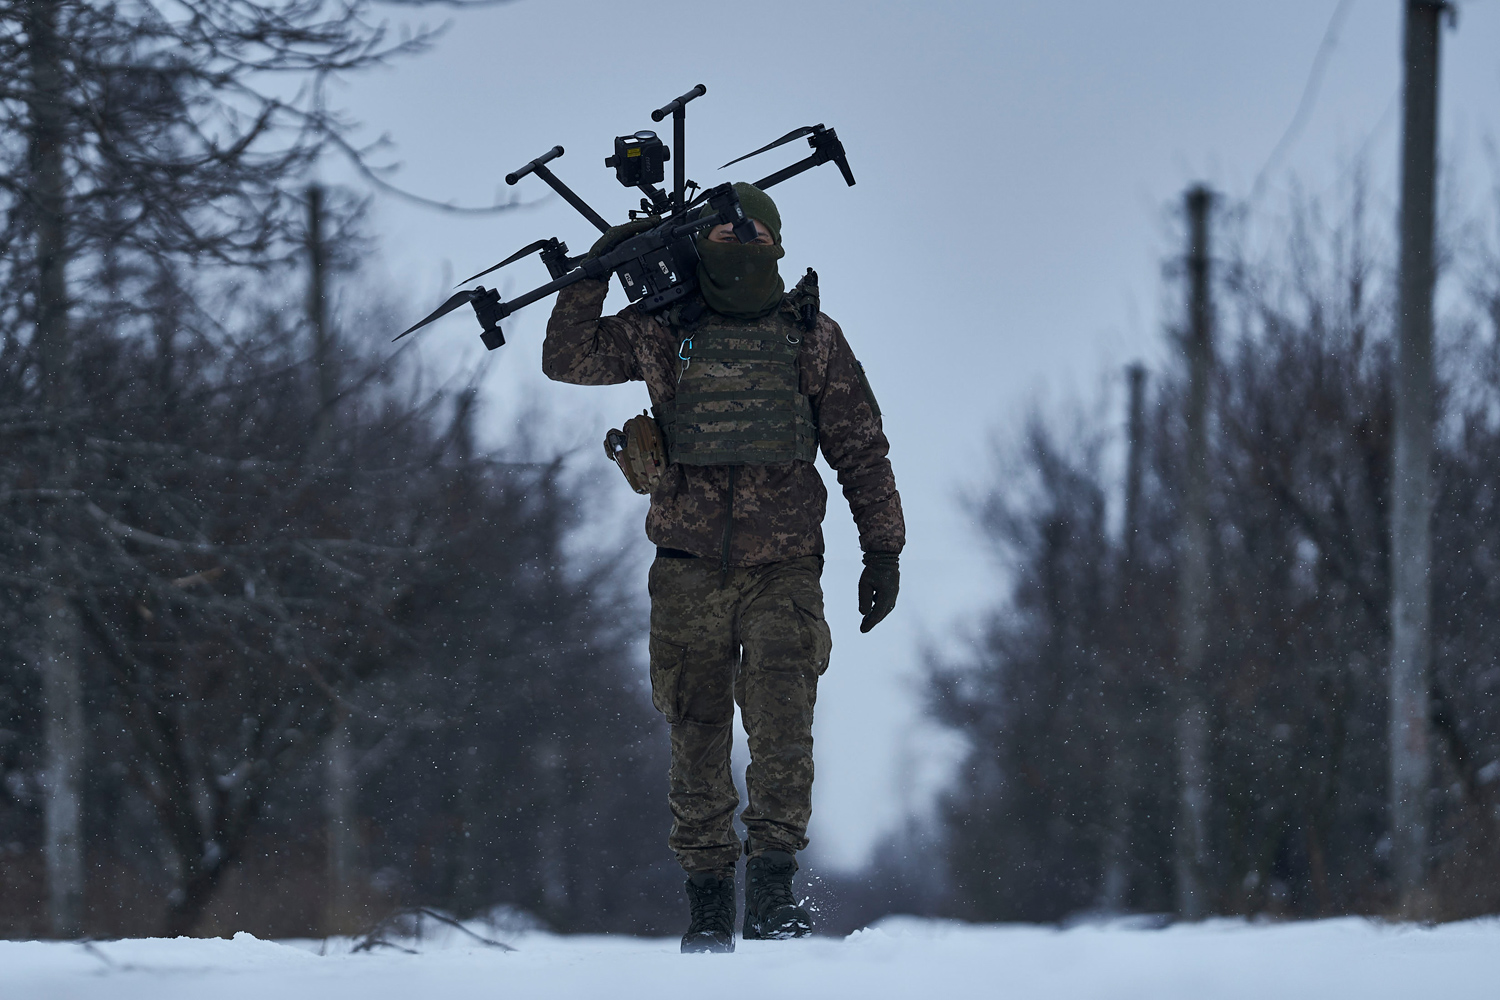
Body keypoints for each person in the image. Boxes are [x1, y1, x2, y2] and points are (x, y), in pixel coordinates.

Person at [542, 183, 903, 952]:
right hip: (688, 566)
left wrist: (884, 549)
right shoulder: (662, 325)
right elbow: (565, 358)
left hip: (784, 569)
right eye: (725, 238)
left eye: (754, 239)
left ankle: (771, 892)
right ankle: (709, 903)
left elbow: (860, 446)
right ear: (699, 246)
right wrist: (591, 274)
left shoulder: (811, 335)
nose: (740, 252)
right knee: (695, 730)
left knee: (781, 728)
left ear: (778, 245)